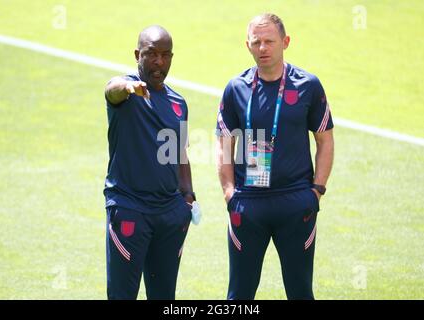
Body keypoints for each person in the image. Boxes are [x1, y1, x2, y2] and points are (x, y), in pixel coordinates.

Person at [216, 13, 334, 300]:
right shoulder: (236, 88)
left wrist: (316, 191)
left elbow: (325, 140)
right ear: (248, 45)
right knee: (239, 294)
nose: (263, 48)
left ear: (285, 42)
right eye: (256, 42)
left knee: (300, 291)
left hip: (296, 202)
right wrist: (230, 193)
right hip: (248, 204)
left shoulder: (308, 85)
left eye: (270, 41)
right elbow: (224, 144)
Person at [103, 25, 197, 300]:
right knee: (122, 295)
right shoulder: (126, 94)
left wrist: (188, 197)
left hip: (170, 213)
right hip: (130, 208)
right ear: (137, 54)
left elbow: (179, 153)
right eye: (151, 54)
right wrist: (129, 87)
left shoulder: (178, 102)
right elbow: (112, 90)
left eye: (166, 55)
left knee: (164, 295)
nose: (159, 62)